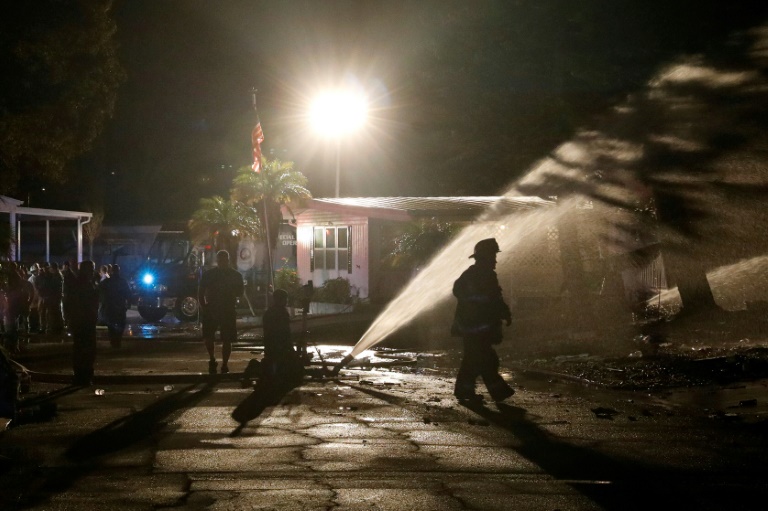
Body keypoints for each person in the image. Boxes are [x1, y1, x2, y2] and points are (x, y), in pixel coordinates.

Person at [451, 238, 515, 403]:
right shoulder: (476, 274)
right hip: (474, 327)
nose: (495, 260)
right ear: (485, 258)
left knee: (475, 358)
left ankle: (466, 391)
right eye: (493, 256)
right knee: (484, 358)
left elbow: (495, 299)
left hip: (475, 326)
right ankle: (496, 391)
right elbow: (460, 291)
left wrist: (504, 313)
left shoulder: (485, 275)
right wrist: (477, 303)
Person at [199, 250, 244, 374]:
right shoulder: (235, 275)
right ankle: (221, 363)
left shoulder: (210, 274)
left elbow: (201, 292)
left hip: (219, 308)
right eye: (221, 260)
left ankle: (217, 361)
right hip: (223, 309)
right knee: (223, 338)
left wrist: (204, 306)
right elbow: (240, 293)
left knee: (216, 337)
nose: (222, 263)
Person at [262, 288, 303, 385]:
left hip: (270, 346)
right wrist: (290, 348)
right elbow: (285, 333)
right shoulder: (282, 313)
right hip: (281, 346)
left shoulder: (269, 312)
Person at [69, 261, 100, 386]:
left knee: (82, 349)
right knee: (85, 349)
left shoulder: (85, 283)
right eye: (91, 269)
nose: (93, 271)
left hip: (83, 321)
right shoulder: (83, 285)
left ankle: (82, 375)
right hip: (84, 322)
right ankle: (83, 376)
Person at [99, 264, 132, 348]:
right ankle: (117, 340)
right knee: (121, 324)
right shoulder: (122, 281)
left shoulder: (107, 282)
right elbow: (128, 293)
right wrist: (129, 303)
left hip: (110, 307)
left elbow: (100, 291)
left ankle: (113, 341)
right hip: (120, 306)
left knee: (111, 325)